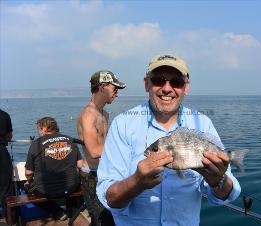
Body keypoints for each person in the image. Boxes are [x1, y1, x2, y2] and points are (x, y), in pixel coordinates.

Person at [96, 53, 241, 225]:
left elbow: (226, 194)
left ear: (186, 87)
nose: (167, 88)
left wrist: (217, 180)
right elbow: (109, 198)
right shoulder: (123, 124)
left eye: (176, 82)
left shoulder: (202, 123)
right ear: (146, 83)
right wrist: (137, 182)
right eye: (158, 80)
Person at [76, 70, 126, 225]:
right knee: (101, 220)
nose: (116, 94)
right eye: (114, 89)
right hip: (92, 176)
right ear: (103, 86)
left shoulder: (104, 114)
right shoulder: (88, 115)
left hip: (106, 173)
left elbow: (106, 144)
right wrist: (125, 148)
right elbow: (93, 150)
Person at [25, 117, 83, 220]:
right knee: (73, 182)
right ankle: (73, 212)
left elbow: (29, 172)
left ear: (44, 128)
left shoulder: (36, 144)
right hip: (71, 187)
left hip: (46, 190)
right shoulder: (70, 139)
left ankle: (57, 212)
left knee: (29, 190)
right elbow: (80, 165)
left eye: (39, 129)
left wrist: (28, 182)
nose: (38, 132)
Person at [0, 109, 13, 216]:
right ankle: (9, 218)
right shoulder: (4, 115)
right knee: (5, 188)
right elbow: (9, 137)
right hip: (1, 152)